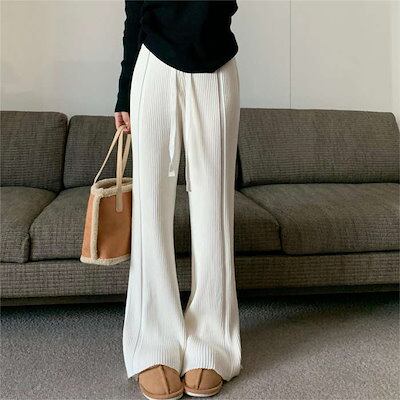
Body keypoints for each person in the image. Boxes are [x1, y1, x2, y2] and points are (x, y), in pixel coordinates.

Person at [114, 1, 242, 399]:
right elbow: (134, 11)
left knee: (214, 212)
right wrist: (124, 92)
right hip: (154, 67)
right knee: (150, 212)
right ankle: (152, 343)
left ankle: (212, 344)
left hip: (216, 68)